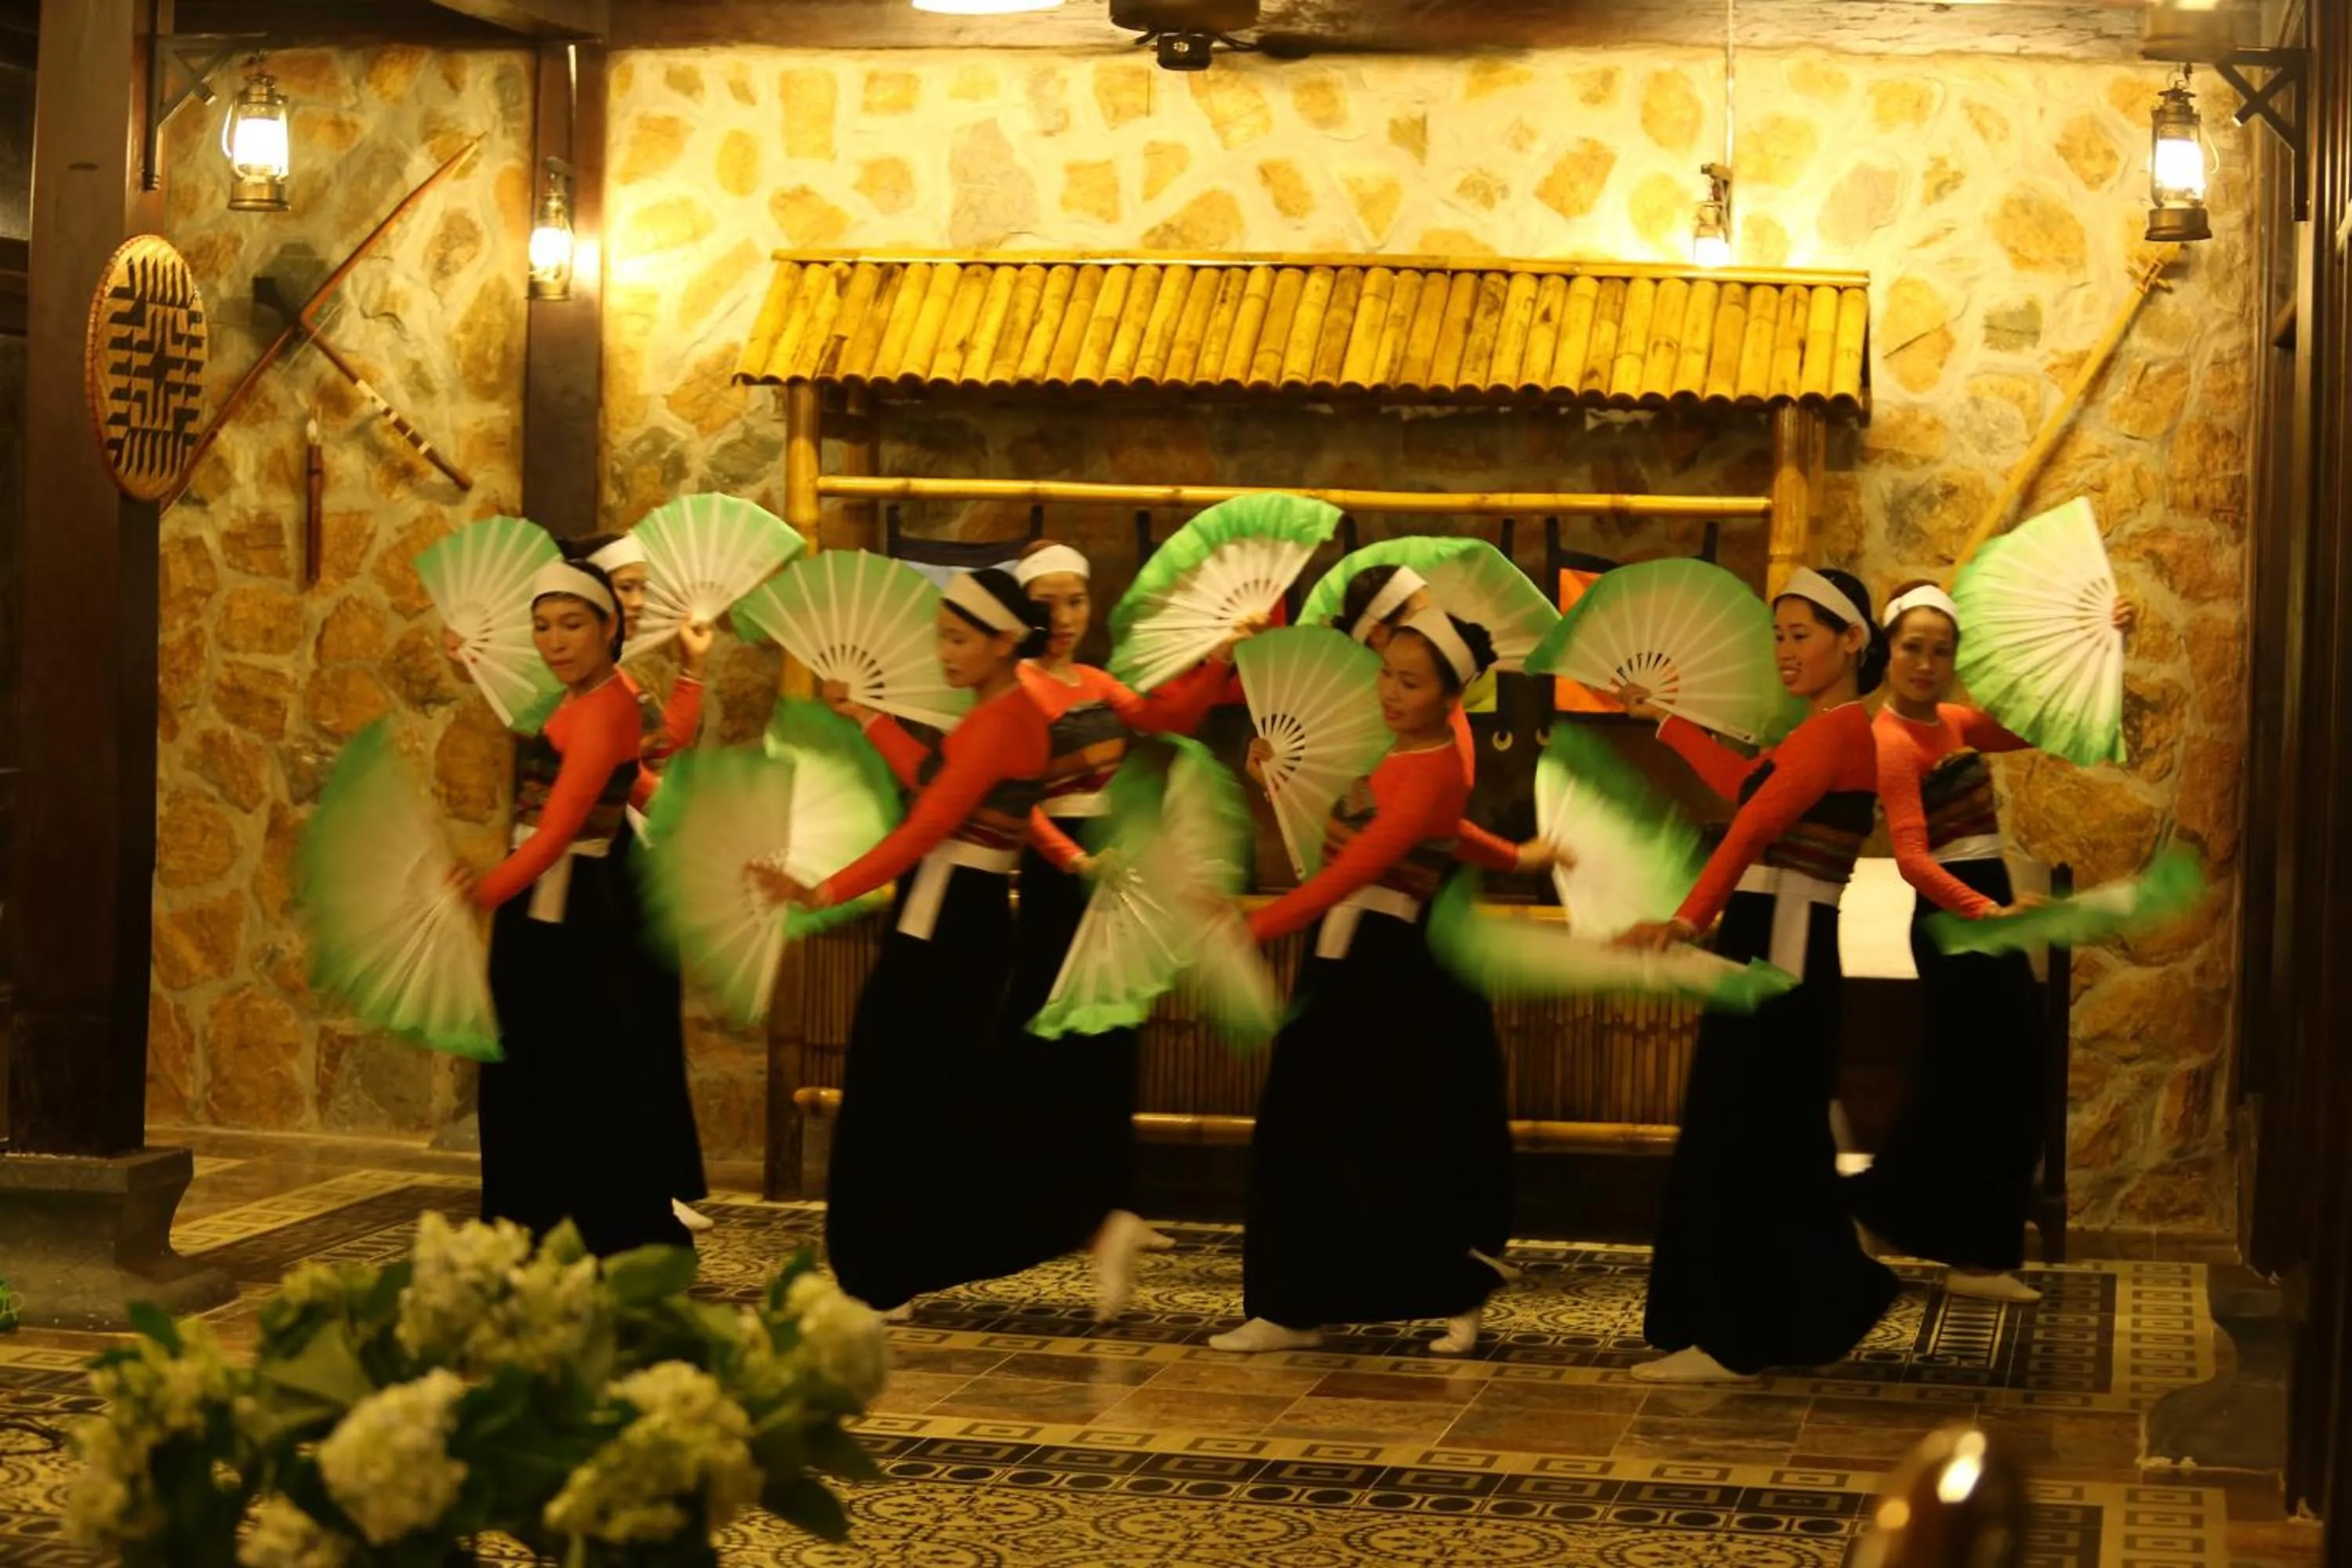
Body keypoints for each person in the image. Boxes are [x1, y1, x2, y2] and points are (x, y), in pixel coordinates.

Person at [1210, 613, 1549, 1358]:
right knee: (1327, 1136)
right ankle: (1298, 1303)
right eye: (1386, 673)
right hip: (1347, 953)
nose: (1388, 691)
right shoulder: (1412, 750)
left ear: (1453, 693)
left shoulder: (1431, 766)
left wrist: (1249, 929)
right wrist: (1515, 856)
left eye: (1410, 681)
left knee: (1360, 1139)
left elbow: (1355, 869)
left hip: (1382, 967)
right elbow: (1429, 835)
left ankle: (1419, 1288)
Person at [1614, 567, 1900, 1385]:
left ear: (1852, 641)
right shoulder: (1822, 732)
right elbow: (1751, 787)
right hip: (1788, 941)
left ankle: (1734, 1333)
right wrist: (1666, 719)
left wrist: (1685, 918)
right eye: (1777, 634)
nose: (1784, 650)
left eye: (1800, 633)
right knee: (1770, 1135)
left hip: (1777, 946)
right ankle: (1808, 1303)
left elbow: (1747, 829)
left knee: (1741, 1131)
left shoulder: (1834, 731)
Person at [753, 568, 1062, 1319]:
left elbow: (926, 826)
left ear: (1006, 641)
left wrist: (825, 890)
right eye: (942, 638)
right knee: (906, 1085)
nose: (945, 653)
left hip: (954, 923)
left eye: (960, 639)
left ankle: (886, 1268)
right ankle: (887, 1261)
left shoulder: (1001, 719)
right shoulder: (1000, 712)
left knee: (901, 1088)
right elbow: (937, 782)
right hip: (957, 915)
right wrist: (864, 717)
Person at [1845, 580, 2134, 1304]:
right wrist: (1987, 912)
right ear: (1888, 651)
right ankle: (1961, 1249)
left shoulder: (1955, 721)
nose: (1926, 663)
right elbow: (1912, 858)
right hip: (1952, 923)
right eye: (1913, 647)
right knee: (1985, 1085)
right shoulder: (1887, 739)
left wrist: (2106, 644)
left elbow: (2044, 725)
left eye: (1942, 651)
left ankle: (1906, 1216)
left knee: (1983, 1085)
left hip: (1986, 916)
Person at [1010, 539, 1259, 1317]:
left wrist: (1219, 658)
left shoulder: (1094, 682)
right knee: (1062, 1043)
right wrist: (1071, 860)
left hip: (1118, 872)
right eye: (1045, 603)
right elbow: (1017, 800)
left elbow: (1165, 718)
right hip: (1063, 881)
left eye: (1075, 601)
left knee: (1117, 1036)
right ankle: (1071, 1202)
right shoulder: (1013, 687)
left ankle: (1117, 1200)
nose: (1062, 617)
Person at [463, 558, 690, 1258]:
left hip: (572, 908)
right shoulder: (578, 696)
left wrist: (478, 893)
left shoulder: (609, 705)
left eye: (571, 625)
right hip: (543, 900)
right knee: (541, 1068)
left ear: (610, 627)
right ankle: (539, 1225)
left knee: (574, 1071)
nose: (555, 642)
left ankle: (593, 1232)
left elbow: (561, 829)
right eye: (542, 627)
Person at [575, 532, 718, 1237]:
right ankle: (635, 1188)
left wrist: (692, 672)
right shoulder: (581, 682)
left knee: (654, 1015)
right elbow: (629, 773)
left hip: (638, 856)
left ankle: (658, 1179)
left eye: (641, 587)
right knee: (621, 1024)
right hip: (599, 865)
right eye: (627, 586)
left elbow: (661, 750)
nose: (639, 599)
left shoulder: (631, 677)